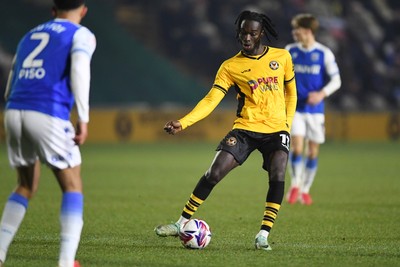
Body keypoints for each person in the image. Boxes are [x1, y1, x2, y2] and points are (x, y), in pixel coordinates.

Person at [155, 10, 297, 251]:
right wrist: (184, 122)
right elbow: (211, 100)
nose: (247, 37)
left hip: (276, 130)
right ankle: (181, 223)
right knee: (214, 173)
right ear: (238, 33)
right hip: (245, 128)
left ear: (261, 33)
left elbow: (291, 94)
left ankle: (263, 234)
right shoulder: (230, 66)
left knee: (278, 172)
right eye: (243, 33)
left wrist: (287, 126)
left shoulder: (281, 57)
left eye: (252, 33)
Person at [0, 0, 96, 266]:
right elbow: (79, 69)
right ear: (83, 10)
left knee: (26, 185)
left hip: (14, 110)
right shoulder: (81, 34)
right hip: (48, 113)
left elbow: (11, 80)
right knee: (72, 184)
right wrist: (83, 118)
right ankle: (66, 262)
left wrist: (14, 105)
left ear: (53, 10)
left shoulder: (29, 35)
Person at [285, 14, 341, 205]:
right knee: (297, 147)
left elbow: (336, 80)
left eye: (297, 30)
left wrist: (321, 94)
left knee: (312, 152)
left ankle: (305, 190)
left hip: (316, 110)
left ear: (307, 31)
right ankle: (295, 185)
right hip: (296, 109)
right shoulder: (290, 51)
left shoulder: (324, 53)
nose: (294, 33)